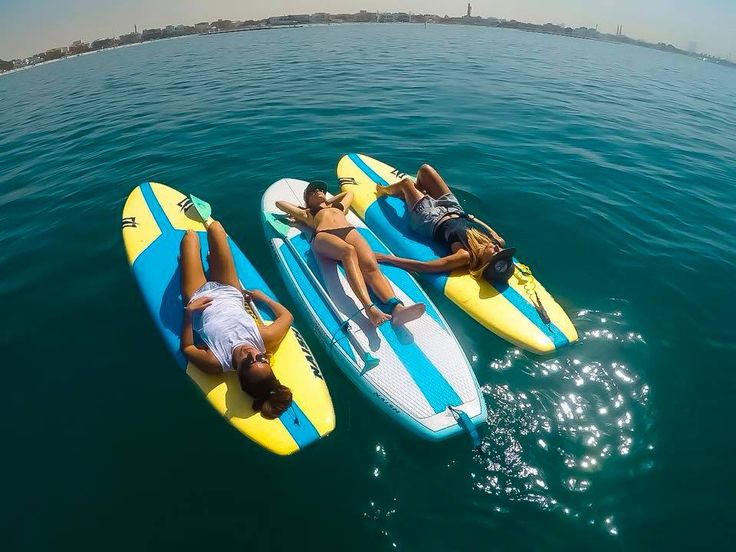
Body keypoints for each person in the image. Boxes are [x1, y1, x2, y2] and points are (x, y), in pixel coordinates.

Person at [179, 220, 293, 420]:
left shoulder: (216, 362)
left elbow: (187, 348)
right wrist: (263, 297)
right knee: (215, 227)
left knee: (190, 237)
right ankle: (212, 262)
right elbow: (287, 316)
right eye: (261, 358)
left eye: (248, 363)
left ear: (239, 373)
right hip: (230, 290)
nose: (251, 354)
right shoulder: (263, 338)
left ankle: (200, 263)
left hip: (197, 296)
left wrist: (189, 313)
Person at [275, 180, 425, 327]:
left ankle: (397, 308)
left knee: (371, 265)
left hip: (349, 231)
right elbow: (280, 204)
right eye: (313, 192)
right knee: (348, 251)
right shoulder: (306, 213)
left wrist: (326, 201)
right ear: (307, 199)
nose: (318, 192)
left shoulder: (339, 207)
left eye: (320, 190)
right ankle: (369, 308)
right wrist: (311, 205)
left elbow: (349, 193)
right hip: (324, 235)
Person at [374, 164, 517, 284]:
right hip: (454, 208)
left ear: (483, 264)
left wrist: (388, 258)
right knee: (425, 170)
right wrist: (474, 220)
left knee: (406, 183)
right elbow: (495, 237)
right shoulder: (495, 242)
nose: (498, 248)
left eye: (496, 253)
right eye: (502, 251)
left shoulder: (465, 255)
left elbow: (426, 267)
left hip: (428, 217)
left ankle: (385, 191)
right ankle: (416, 193)